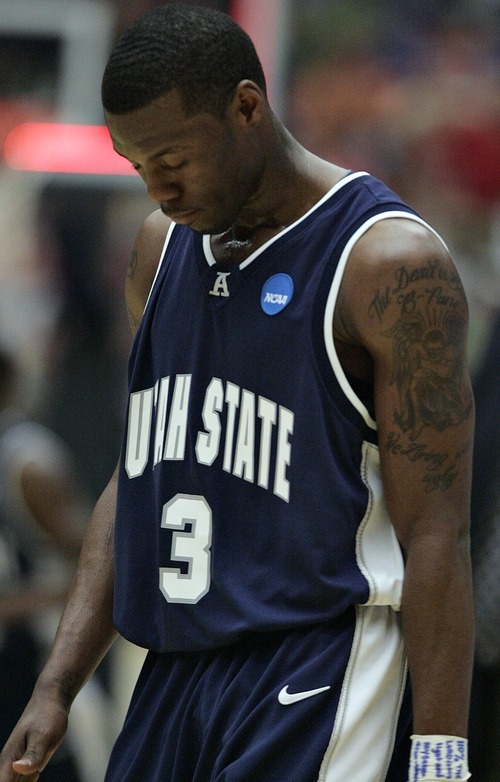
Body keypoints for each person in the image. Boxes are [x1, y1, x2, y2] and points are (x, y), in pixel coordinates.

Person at [0, 5, 475, 781]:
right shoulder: (159, 249)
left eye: (173, 157)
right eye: (136, 163)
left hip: (316, 667)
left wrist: (441, 753)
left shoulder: (385, 262)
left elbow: (435, 533)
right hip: (173, 672)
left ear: (246, 107)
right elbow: (139, 480)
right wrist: (56, 684)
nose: (157, 185)